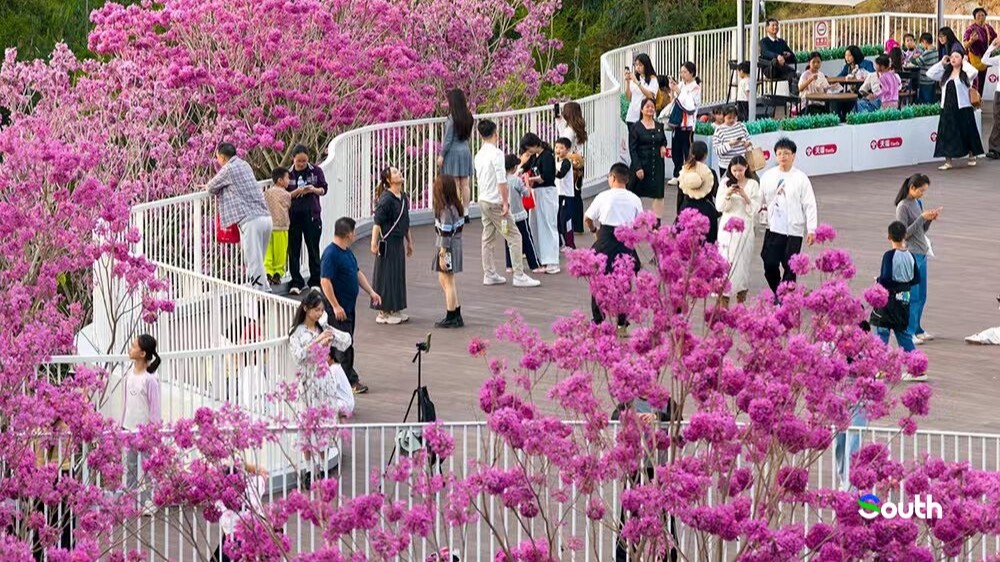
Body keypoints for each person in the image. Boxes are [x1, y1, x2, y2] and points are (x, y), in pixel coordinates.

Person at [477, 121, 543, 287]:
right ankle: (519, 275)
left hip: (483, 200)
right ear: (495, 133)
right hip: (496, 202)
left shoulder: (479, 155)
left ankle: (489, 273)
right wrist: (505, 203)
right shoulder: (497, 154)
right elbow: (501, 181)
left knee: (488, 238)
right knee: (515, 236)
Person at [320, 217, 379, 395]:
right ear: (348, 234)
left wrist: (371, 292)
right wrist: (335, 306)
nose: (355, 235)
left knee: (345, 342)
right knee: (344, 345)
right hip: (338, 310)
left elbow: (357, 273)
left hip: (348, 307)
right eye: (353, 231)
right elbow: (325, 281)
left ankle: (338, 377)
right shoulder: (331, 254)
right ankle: (348, 381)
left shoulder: (347, 252)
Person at [206, 142, 273, 292]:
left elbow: (210, 187)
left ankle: (259, 292)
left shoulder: (228, 169)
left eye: (217, 157)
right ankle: (262, 287)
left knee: (253, 260)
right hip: (266, 217)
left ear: (222, 157)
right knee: (259, 259)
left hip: (251, 221)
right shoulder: (245, 165)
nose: (217, 160)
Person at [585, 163, 644, 329]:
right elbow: (640, 223)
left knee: (598, 278)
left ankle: (599, 319)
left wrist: (594, 230)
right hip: (625, 240)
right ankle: (622, 321)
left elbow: (587, 218)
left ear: (612, 177)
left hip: (605, 237)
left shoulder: (604, 196)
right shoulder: (634, 199)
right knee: (624, 279)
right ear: (627, 179)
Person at [759, 138, 818, 299]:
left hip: (793, 230)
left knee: (790, 266)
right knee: (769, 263)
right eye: (779, 153)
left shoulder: (801, 178)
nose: (783, 156)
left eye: (786, 153)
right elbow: (758, 199)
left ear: (793, 155)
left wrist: (811, 229)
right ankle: (779, 292)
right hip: (773, 228)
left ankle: (785, 300)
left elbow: (809, 204)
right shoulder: (768, 176)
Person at [288, 290, 355, 417]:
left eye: (321, 310)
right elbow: (298, 357)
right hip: (307, 378)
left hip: (325, 378)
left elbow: (346, 341)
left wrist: (331, 334)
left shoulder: (322, 328)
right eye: (316, 310)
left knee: (326, 415)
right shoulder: (297, 332)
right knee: (308, 416)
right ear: (306, 308)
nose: (319, 313)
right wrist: (317, 341)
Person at [873, 221, 923, 381]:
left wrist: (878, 280)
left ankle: (882, 369)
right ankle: (917, 368)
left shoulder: (889, 256)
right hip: (904, 299)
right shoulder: (910, 256)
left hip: (889, 300)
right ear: (904, 236)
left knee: (882, 331)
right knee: (903, 333)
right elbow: (916, 279)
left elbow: (886, 279)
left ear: (889, 237)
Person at [894, 174, 940, 347]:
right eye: (921, 190)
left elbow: (921, 230)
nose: (922, 194)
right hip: (911, 254)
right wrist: (922, 218)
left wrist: (929, 220)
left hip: (922, 252)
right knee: (912, 296)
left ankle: (917, 328)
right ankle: (909, 332)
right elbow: (903, 234)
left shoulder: (917, 203)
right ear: (912, 187)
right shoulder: (903, 207)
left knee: (922, 295)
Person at [715, 155, 762, 306]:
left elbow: (755, 208)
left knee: (742, 262)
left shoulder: (753, 184)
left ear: (746, 168)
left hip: (744, 227)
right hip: (727, 228)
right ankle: (723, 298)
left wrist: (744, 196)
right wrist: (728, 194)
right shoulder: (725, 182)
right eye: (734, 170)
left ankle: (741, 297)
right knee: (725, 260)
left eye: (740, 170)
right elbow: (719, 207)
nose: (737, 174)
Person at [928, 47, 984, 170]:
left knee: (967, 132)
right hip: (947, 109)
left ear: (962, 59)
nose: (953, 59)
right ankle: (948, 161)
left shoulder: (965, 74)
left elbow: (974, 72)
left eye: (957, 57)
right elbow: (930, 74)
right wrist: (942, 63)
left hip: (963, 107)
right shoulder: (945, 74)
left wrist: (965, 62)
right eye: (952, 57)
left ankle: (972, 156)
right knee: (946, 134)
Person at [369, 166, 413, 325]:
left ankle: (395, 308)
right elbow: (377, 222)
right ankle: (383, 311)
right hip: (387, 242)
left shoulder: (403, 197)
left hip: (398, 241)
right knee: (386, 275)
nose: (399, 173)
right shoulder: (386, 199)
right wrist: (374, 242)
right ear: (388, 180)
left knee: (396, 275)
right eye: (394, 172)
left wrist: (409, 241)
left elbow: (405, 222)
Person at [123, 334, 162, 508]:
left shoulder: (150, 379)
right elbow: (126, 403)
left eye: (134, 346)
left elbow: (155, 408)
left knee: (148, 467)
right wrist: (123, 424)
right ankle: (130, 500)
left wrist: (153, 431)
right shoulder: (129, 375)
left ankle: (149, 500)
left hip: (145, 431)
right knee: (130, 466)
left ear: (143, 353)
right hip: (129, 428)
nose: (130, 349)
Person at [286, 145, 328, 295]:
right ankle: (296, 281)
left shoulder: (316, 171)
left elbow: (324, 189)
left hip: (312, 215)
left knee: (313, 248)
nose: (301, 164)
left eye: (304, 161)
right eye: (299, 161)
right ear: (293, 159)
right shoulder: (288, 174)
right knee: (294, 250)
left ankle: (315, 281)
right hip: (293, 216)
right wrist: (296, 192)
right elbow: (283, 194)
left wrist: (313, 190)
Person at [520, 132, 560, 275]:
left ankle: (552, 260)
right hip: (537, 193)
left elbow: (547, 176)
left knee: (548, 225)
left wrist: (531, 179)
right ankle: (541, 257)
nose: (528, 152)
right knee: (536, 225)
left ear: (535, 144)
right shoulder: (535, 157)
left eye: (529, 148)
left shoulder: (547, 156)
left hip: (547, 192)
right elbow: (526, 168)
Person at [211, 463, 268, 562]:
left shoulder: (219, 500)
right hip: (258, 534)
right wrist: (246, 466)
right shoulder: (253, 486)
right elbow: (263, 473)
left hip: (234, 541)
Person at [432, 176, 466, 328]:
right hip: (455, 245)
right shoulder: (456, 207)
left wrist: (442, 254)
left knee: (448, 280)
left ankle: (451, 315)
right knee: (445, 279)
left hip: (447, 248)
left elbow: (445, 234)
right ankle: (456, 313)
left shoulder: (445, 210)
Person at [628, 98, 668, 224]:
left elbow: (663, 140)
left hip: (657, 164)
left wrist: (663, 146)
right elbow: (632, 149)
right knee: (634, 193)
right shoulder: (635, 127)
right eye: (647, 106)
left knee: (658, 194)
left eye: (652, 107)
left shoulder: (659, 126)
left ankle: (656, 222)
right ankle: (633, 220)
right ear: (642, 109)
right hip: (641, 163)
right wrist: (638, 167)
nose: (650, 109)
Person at [438, 89, 475, 222]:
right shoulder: (469, 117)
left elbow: (448, 140)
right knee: (465, 184)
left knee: (455, 184)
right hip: (465, 151)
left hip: (453, 153)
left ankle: (457, 212)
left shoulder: (451, 119)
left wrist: (442, 155)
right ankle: (466, 212)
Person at [666, 62, 702, 189]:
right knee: (676, 150)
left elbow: (690, 104)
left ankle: (688, 174)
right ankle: (677, 174)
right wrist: (673, 90)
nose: (682, 74)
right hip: (677, 123)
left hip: (688, 125)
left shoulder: (695, 87)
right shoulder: (681, 84)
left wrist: (678, 91)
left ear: (692, 73)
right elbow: (674, 101)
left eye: (685, 72)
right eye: (681, 72)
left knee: (687, 150)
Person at [677, 141, 720, 244]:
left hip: (687, 209)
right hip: (706, 211)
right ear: (705, 155)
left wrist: (679, 212)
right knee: (707, 245)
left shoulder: (684, 171)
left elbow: (680, 195)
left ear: (690, 152)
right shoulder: (710, 172)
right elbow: (717, 194)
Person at [504, 155, 541, 273]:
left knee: (508, 240)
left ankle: (509, 265)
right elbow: (527, 194)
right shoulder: (517, 181)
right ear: (514, 167)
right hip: (519, 215)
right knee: (526, 238)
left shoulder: (501, 180)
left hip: (505, 216)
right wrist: (526, 182)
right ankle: (534, 265)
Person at [557, 101, 588, 233]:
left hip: (570, 164)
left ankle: (569, 225)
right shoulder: (578, 129)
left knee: (570, 195)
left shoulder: (569, 130)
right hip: (579, 162)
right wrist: (559, 123)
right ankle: (578, 225)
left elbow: (564, 143)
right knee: (577, 194)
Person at [264, 167, 292, 286]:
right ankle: (278, 273)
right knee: (280, 251)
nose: (289, 181)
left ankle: (268, 272)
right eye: (287, 178)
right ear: (280, 180)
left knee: (268, 250)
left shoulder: (267, 193)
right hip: (281, 226)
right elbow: (288, 205)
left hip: (268, 225)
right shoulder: (286, 194)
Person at [963, 7, 997, 95]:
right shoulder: (970, 29)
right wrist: (971, 41)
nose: (981, 17)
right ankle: (976, 100)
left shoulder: (988, 28)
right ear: (974, 18)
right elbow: (965, 45)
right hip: (975, 60)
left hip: (987, 59)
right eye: (978, 15)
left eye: (983, 15)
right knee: (976, 83)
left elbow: (996, 39)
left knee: (987, 82)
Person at [623, 53, 660, 129]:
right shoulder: (635, 78)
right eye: (636, 65)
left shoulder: (652, 79)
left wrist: (637, 83)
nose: (638, 67)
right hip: (632, 116)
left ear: (646, 65)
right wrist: (627, 82)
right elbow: (629, 97)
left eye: (640, 65)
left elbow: (651, 96)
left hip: (645, 116)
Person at [712, 106, 751, 176]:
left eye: (734, 117)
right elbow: (717, 150)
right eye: (729, 118)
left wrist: (747, 144)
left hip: (742, 164)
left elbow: (748, 139)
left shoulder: (741, 126)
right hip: (727, 166)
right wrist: (730, 144)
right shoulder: (719, 130)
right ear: (724, 117)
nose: (732, 120)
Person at [553, 137, 576, 250]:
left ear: (567, 150)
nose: (558, 150)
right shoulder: (557, 161)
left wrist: (550, 170)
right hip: (558, 195)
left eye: (561, 148)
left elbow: (561, 174)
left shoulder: (566, 163)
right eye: (556, 147)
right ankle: (560, 242)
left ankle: (570, 244)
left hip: (566, 196)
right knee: (557, 220)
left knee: (566, 221)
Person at [981, 37, 1000, 159]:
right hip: (999, 92)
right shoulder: (999, 58)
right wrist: (992, 46)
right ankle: (995, 149)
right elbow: (984, 60)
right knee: (998, 120)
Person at [910, 33, 940, 104]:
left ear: (925, 42)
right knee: (931, 99)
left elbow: (916, 62)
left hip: (925, 80)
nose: (921, 45)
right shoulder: (936, 51)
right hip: (932, 79)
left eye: (921, 43)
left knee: (925, 101)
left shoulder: (926, 53)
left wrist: (913, 57)